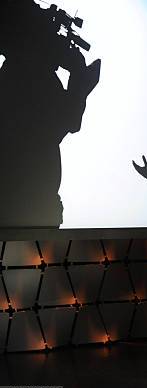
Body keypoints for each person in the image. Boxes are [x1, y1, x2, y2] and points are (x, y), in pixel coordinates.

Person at [0, 0, 101, 227]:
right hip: (27, 200)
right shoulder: (27, 75)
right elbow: (67, 123)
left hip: (33, 200)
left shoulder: (20, 74)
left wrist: (79, 85)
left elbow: (66, 122)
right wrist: (80, 86)